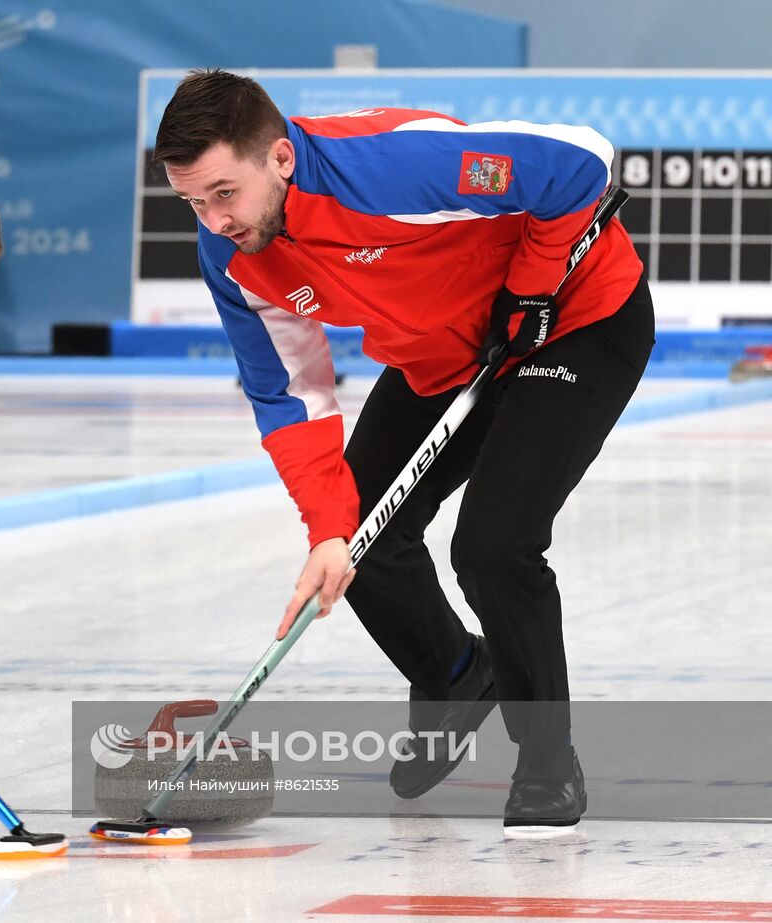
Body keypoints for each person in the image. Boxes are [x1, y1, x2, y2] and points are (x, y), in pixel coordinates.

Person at [153, 70, 653, 835]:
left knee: (493, 546)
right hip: (445, 354)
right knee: (359, 538)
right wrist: (325, 527)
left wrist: (531, 285)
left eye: (224, 193)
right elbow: (292, 398)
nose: (213, 219)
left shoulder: (387, 166)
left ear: (280, 159)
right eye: (192, 201)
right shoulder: (235, 258)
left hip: (576, 320)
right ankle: (456, 673)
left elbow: (579, 158)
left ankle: (547, 756)